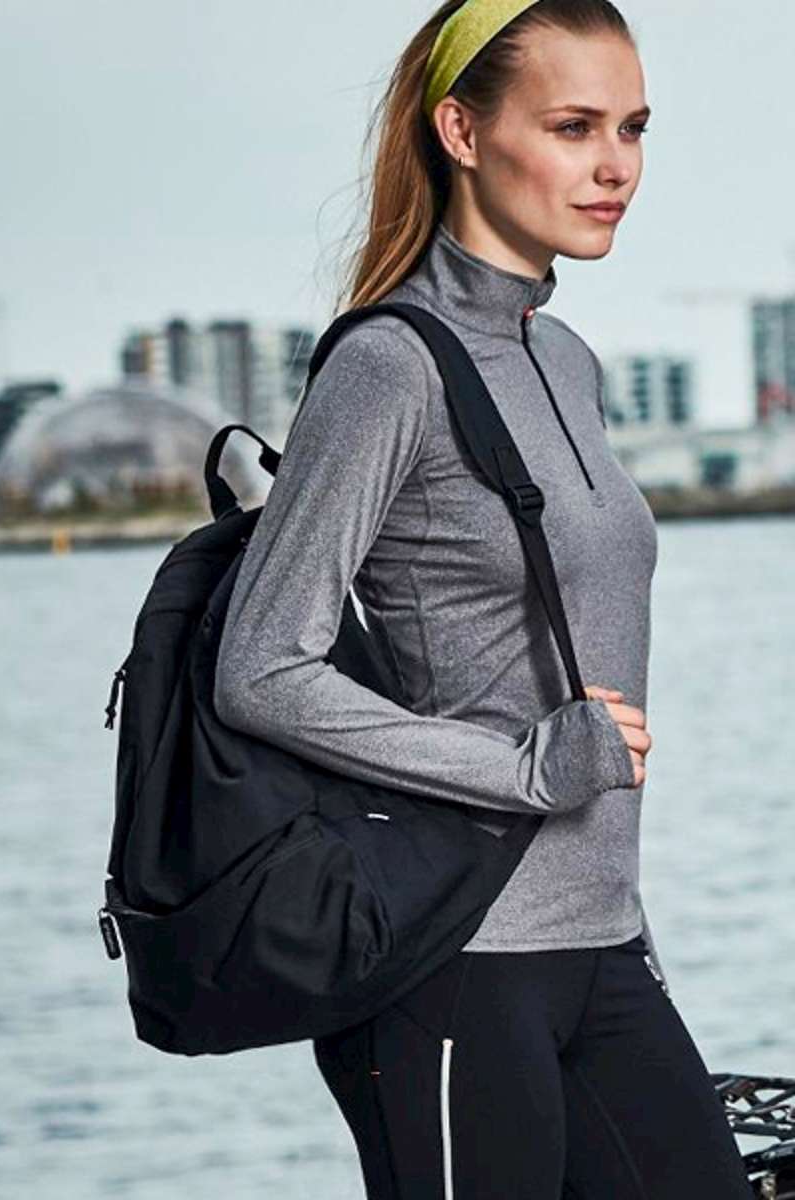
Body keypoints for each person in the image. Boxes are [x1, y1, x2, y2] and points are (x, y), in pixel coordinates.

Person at [210, 1, 751, 1196]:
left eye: (632, 128)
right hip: (453, 962)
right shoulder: (386, 366)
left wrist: (621, 908)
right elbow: (260, 667)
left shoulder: (566, 360)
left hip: (602, 945)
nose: (614, 166)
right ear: (460, 131)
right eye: (572, 127)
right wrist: (522, 769)